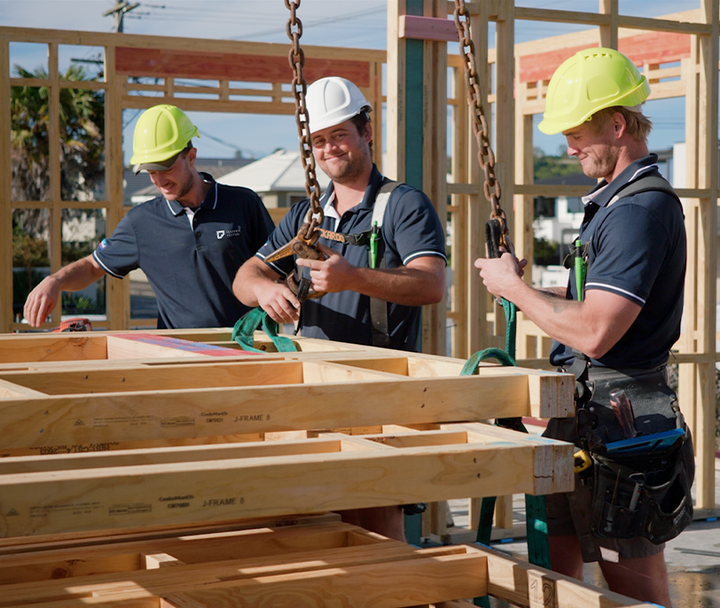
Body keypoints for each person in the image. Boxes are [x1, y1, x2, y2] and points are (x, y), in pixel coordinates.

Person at [474, 48, 692, 607]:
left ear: (617, 125)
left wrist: (513, 290)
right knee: (559, 584)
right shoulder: (616, 206)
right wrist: (532, 291)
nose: (567, 148)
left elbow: (596, 332)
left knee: (637, 594)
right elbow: (593, 307)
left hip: (624, 428)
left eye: (577, 133)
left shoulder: (638, 211)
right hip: (590, 416)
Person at [233, 76, 447, 539]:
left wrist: (354, 278)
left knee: (373, 514)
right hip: (311, 384)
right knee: (314, 513)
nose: (330, 148)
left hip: (378, 386)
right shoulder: (308, 214)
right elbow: (245, 278)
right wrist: (265, 291)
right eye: (319, 140)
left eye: (340, 135)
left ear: (366, 132)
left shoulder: (403, 205)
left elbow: (431, 285)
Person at [24, 104, 275, 330]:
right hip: (177, 360)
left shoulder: (244, 203)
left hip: (248, 349)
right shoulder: (141, 222)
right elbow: (92, 266)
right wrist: (55, 281)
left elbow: (277, 266)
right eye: (149, 170)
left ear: (191, 156)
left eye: (165, 167)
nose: (158, 179)